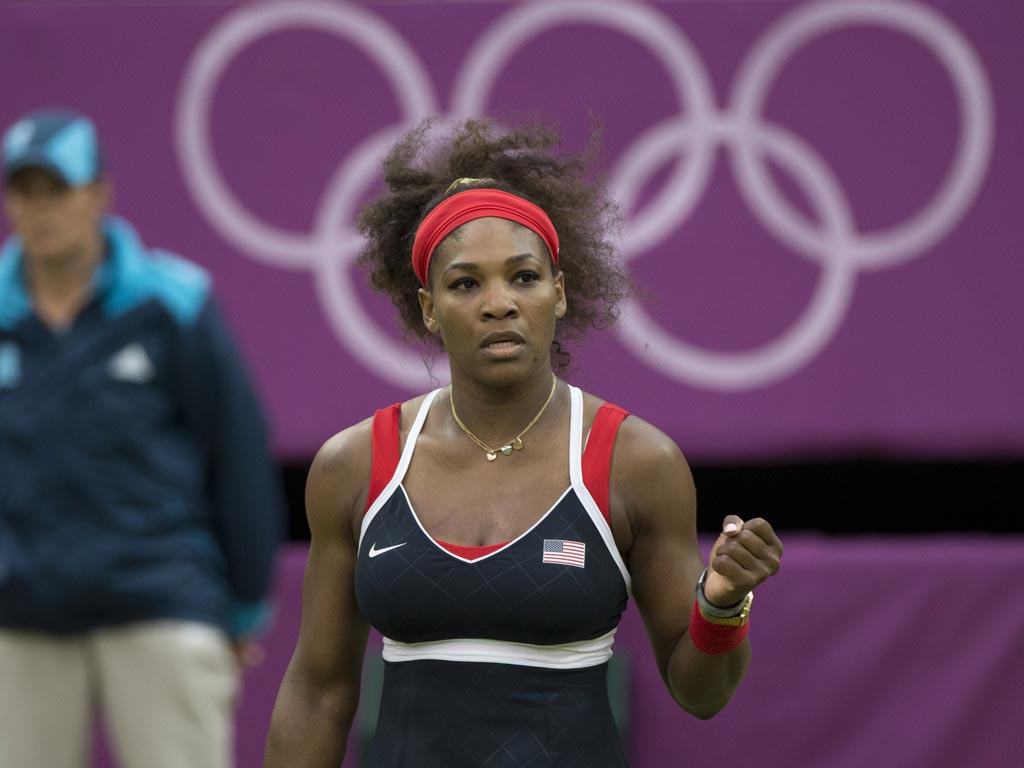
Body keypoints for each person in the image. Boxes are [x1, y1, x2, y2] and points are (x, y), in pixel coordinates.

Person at [263, 118, 783, 767]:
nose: (499, 303)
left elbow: (700, 692)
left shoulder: (639, 463)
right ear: (428, 308)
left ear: (559, 293)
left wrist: (723, 601)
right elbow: (318, 691)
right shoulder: (354, 465)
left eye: (523, 277)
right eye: (465, 283)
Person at [0, 107, 283, 768]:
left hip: (161, 602)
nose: (40, 210)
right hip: (17, 617)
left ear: (99, 194)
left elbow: (237, 455)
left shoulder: (173, 303)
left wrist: (242, 607)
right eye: (24, 191)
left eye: (58, 190)